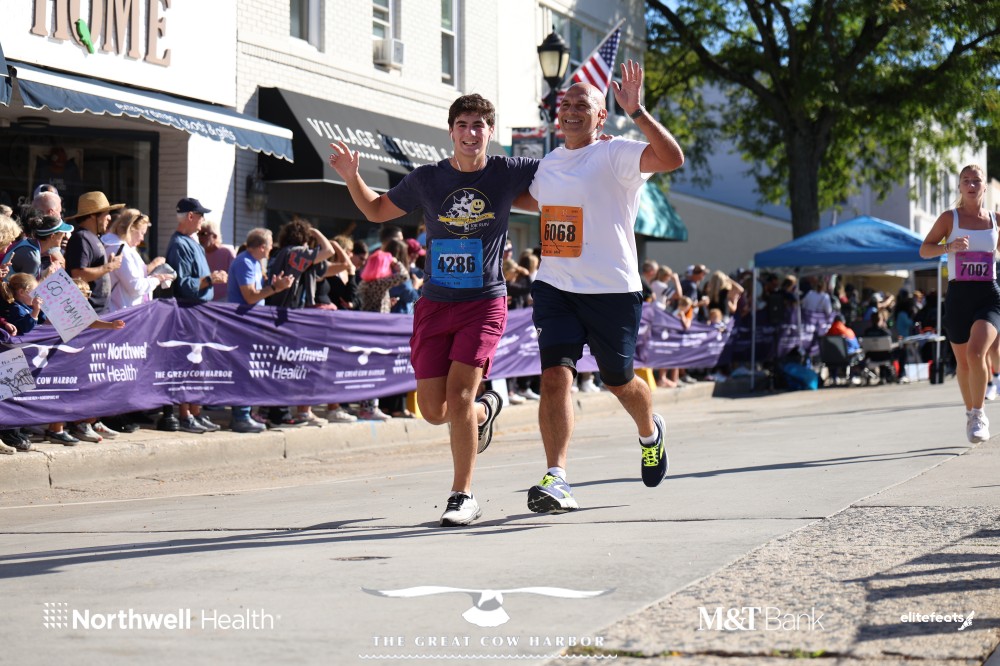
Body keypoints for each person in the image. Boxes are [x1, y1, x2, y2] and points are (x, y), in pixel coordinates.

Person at [329, 92, 537, 526]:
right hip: (435, 305)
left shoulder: (507, 171)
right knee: (434, 411)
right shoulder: (427, 178)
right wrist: (352, 176)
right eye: (462, 125)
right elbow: (375, 210)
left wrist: (594, 147)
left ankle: (462, 495)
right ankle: (488, 408)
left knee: (459, 398)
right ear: (451, 131)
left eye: (478, 125)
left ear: (490, 132)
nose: (470, 133)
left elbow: (565, 170)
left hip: (484, 302)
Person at [518, 61, 684, 513]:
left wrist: (639, 112)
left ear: (601, 116)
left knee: (619, 381)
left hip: (612, 290)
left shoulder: (616, 154)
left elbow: (672, 159)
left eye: (583, 105)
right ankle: (557, 478)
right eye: (566, 104)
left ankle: (650, 432)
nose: (571, 110)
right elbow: (526, 200)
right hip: (555, 286)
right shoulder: (549, 163)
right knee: (554, 376)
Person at [919, 164, 999, 443]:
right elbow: (924, 249)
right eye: (966, 180)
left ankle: (979, 413)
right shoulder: (949, 218)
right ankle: (970, 412)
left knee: (977, 353)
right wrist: (948, 247)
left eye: (976, 180)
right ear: (960, 187)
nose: (971, 185)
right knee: (963, 363)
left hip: (989, 295)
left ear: (984, 186)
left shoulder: (995, 220)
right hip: (958, 296)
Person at [159, 197, 228, 434]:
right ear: (190, 216)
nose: (202, 220)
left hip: (199, 310)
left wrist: (210, 279)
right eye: (200, 215)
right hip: (188, 311)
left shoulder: (192, 242)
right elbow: (185, 285)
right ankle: (185, 415)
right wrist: (211, 279)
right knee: (188, 364)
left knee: (198, 365)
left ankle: (196, 412)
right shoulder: (180, 244)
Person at [227, 228, 294, 432]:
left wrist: (271, 286)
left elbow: (256, 292)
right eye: (271, 245)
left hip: (251, 324)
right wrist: (275, 288)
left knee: (249, 369)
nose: (272, 248)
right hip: (243, 325)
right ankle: (241, 416)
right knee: (244, 370)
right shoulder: (245, 262)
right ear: (262, 246)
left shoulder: (254, 263)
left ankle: (244, 414)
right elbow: (249, 296)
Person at [63, 191, 125, 312]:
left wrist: (107, 265)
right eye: (106, 213)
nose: (109, 217)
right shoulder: (81, 238)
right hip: (89, 314)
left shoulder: (92, 237)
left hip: (99, 312)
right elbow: (78, 275)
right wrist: (109, 267)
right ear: (92, 215)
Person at [101, 209, 171, 313]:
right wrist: (157, 279)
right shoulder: (121, 250)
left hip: (121, 310)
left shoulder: (119, 247)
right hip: (123, 313)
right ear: (131, 229)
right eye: (142, 233)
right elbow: (135, 287)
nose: (142, 238)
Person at [198, 218, 237, 301]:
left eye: (203, 234)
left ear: (215, 236)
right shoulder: (199, 253)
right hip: (205, 299)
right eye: (198, 234)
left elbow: (236, 276)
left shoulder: (227, 252)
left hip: (224, 299)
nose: (200, 237)